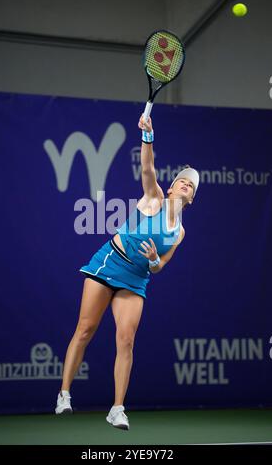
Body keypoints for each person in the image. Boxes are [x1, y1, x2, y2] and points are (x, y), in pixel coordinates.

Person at [55, 114, 200, 430]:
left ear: (191, 198)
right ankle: (64, 394)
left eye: (191, 185)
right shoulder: (155, 198)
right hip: (109, 263)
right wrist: (148, 135)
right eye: (182, 180)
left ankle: (117, 408)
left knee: (126, 339)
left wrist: (151, 261)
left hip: (136, 278)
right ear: (173, 187)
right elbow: (148, 168)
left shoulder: (180, 232)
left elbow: (160, 266)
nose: (185, 184)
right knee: (85, 328)